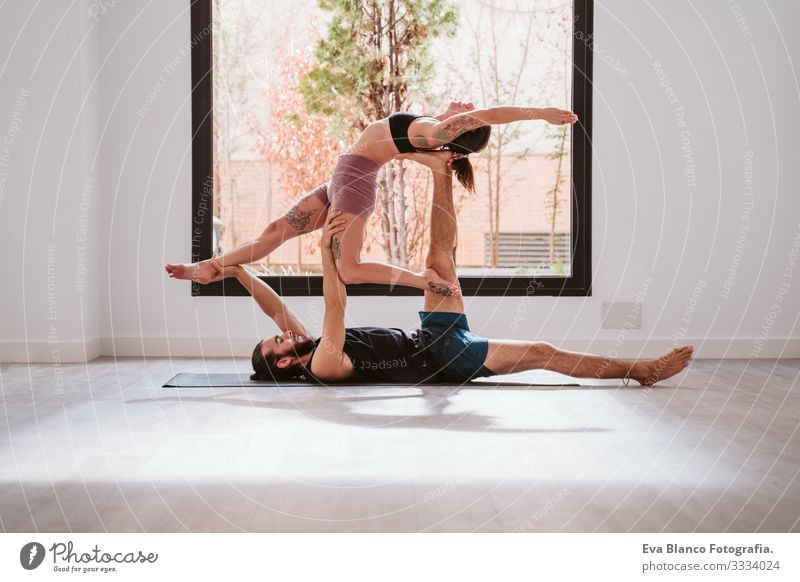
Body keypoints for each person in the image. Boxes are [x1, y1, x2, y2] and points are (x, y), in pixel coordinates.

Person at [212, 151, 693, 386]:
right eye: (277, 342)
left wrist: (235, 272)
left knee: (438, 259)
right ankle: (638, 371)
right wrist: (325, 246)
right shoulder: (323, 364)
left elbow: (275, 309)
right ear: (282, 362)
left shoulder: (306, 347)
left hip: (431, 337)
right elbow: (336, 301)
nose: (281, 332)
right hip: (441, 361)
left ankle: (442, 167)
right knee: (543, 351)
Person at [165, 101, 578, 296]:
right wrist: (447, 113)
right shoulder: (433, 127)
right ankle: (209, 268)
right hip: (343, 178)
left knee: (349, 269)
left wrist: (541, 113)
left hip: (354, 181)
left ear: (459, 130)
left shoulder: (439, 133)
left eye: (465, 117)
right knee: (275, 231)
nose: (468, 109)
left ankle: (423, 281)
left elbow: (489, 116)